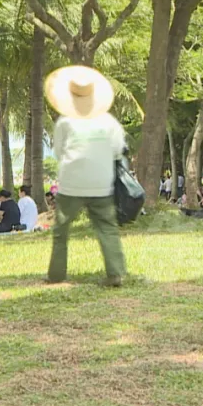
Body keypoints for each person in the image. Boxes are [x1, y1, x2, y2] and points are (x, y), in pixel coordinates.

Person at [45, 65, 127, 286]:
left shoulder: (65, 122)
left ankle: (56, 275)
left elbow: (59, 152)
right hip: (102, 183)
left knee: (62, 230)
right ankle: (115, 273)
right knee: (107, 228)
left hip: (71, 183)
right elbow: (118, 150)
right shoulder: (109, 121)